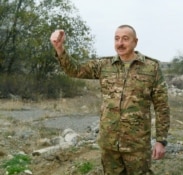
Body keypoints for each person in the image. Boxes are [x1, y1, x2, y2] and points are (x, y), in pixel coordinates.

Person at [50, 24, 170, 175]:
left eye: (125, 39)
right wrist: (60, 49)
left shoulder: (151, 68)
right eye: (117, 39)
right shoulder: (104, 65)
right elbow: (75, 70)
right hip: (109, 144)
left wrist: (161, 140)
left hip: (136, 145)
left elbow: (162, 106)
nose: (120, 43)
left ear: (135, 42)